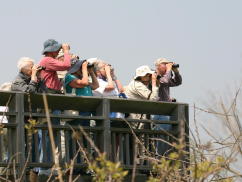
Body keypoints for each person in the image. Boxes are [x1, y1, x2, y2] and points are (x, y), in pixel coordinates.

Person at [38, 39, 71, 176]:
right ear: (50, 50)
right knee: (47, 134)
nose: (59, 51)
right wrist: (67, 51)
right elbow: (66, 65)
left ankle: (48, 165)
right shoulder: (46, 60)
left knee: (53, 134)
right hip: (49, 99)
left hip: (53, 98)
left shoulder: (48, 61)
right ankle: (44, 167)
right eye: (57, 49)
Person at [64, 58, 99, 165]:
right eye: (82, 68)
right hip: (76, 113)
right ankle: (74, 165)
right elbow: (83, 83)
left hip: (86, 112)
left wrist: (91, 71)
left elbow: (95, 86)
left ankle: (82, 165)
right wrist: (84, 67)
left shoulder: (82, 77)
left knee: (84, 140)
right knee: (75, 141)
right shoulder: (69, 77)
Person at [153, 58, 182, 155]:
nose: (166, 66)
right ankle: (159, 158)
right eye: (164, 64)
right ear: (157, 66)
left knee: (167, 138)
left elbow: (178, 82)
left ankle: (165, 157)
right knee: (162, 139)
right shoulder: (154, 76)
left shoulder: (164, 77)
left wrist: (176, 72)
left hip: (165, 112)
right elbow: (165, 81)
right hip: (158, 112)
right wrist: (169, 69)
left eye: (167, 64)